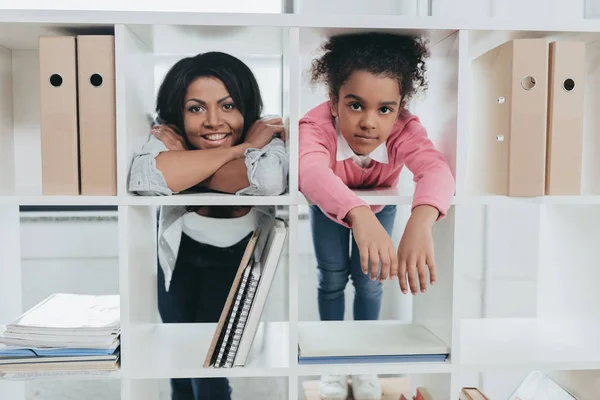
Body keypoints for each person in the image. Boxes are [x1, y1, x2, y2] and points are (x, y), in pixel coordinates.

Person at [298, 32, 455, 400]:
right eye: (356, 106)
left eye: (384, 109)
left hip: (379, 211)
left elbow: (436, 170)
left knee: (370, 281)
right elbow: (309, 171)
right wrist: (357, 212)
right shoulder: (315, 125)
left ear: (399, 108)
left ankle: (365, 362)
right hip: (329, 208)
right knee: (332, 279)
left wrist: (421, 219)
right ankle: (331, 365)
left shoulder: (404, 130)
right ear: (334, 102)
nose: (370, 121)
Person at [128, 51, 288, 400]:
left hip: (235, 262)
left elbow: (268, 180)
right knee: (178, 367)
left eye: (228, 106)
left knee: (211, 373)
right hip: (179, 259)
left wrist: (184, 166)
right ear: (178, 113)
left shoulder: (268, 134)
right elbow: (145, 178)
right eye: (196, 108)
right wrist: (242, 150)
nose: (213, 121)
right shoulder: (169, 134)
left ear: (246, 107)